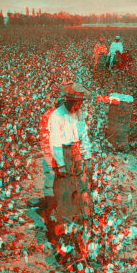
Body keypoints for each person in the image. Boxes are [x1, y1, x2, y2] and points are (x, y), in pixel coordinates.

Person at [46, 83, 94, 231]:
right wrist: (60, 164)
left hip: (76, 151)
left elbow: (83, 135)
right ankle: (64, 218)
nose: (78, 106)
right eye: (75, 103)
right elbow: (55, 142)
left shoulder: (78, 115)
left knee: (79, 185)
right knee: (64, 186)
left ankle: (78, 217)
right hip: (64, 152)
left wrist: (87, 155)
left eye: (80, 103)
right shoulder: (57, 116)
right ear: (68, 100)